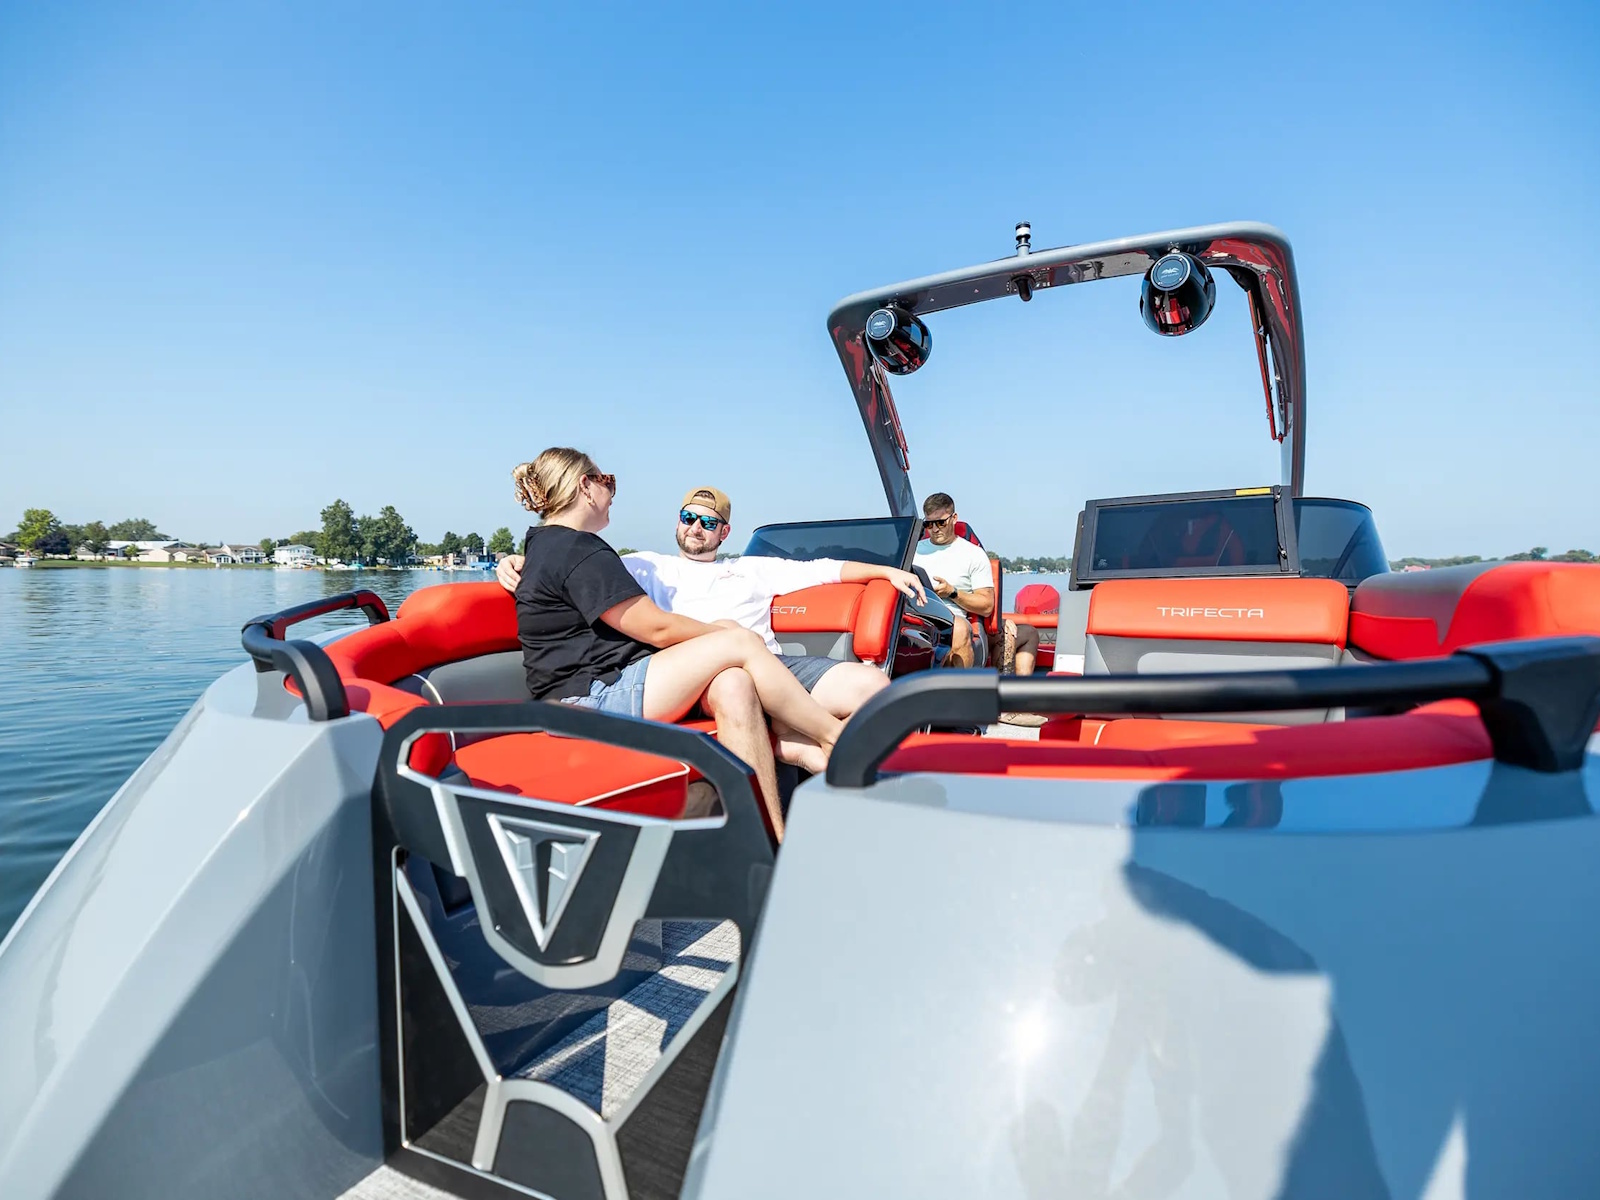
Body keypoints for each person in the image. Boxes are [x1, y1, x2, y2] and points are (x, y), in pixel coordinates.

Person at [508, 448, 845, 838]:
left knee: (733, 682)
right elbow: (657, 630)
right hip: (589, 698)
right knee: (739, 641)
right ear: (585, 486)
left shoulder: (548, 545)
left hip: (594, 691)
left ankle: (766, 840)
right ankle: (832, 737)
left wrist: (724, 633)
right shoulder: (576, 549)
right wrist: (732, 638)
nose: (611, 493)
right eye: (607, 481)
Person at [499, 482, 927, 772]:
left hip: (773, 665)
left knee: (872, 685)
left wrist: (886, 571)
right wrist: (516, 561)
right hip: (705, 674)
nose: (695, 528)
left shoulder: (752, 567)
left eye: (707, 523)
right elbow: (571, 567)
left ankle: (803, 751)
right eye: (688, 517)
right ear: (677, 522)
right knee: (733, 666)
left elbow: (824, 569)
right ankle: (818, 744)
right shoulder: (643, 565)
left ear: (724, 532)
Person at [915, 491, 1044, 725]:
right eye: (929, 524)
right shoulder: (913, 551)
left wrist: (952, 592)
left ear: (954, 518)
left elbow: (986, 605)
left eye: (940, 522)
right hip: (915, 617)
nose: (934, 529)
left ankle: (1011, 703)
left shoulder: (972, 555)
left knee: (963, 628)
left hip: (953, 621)